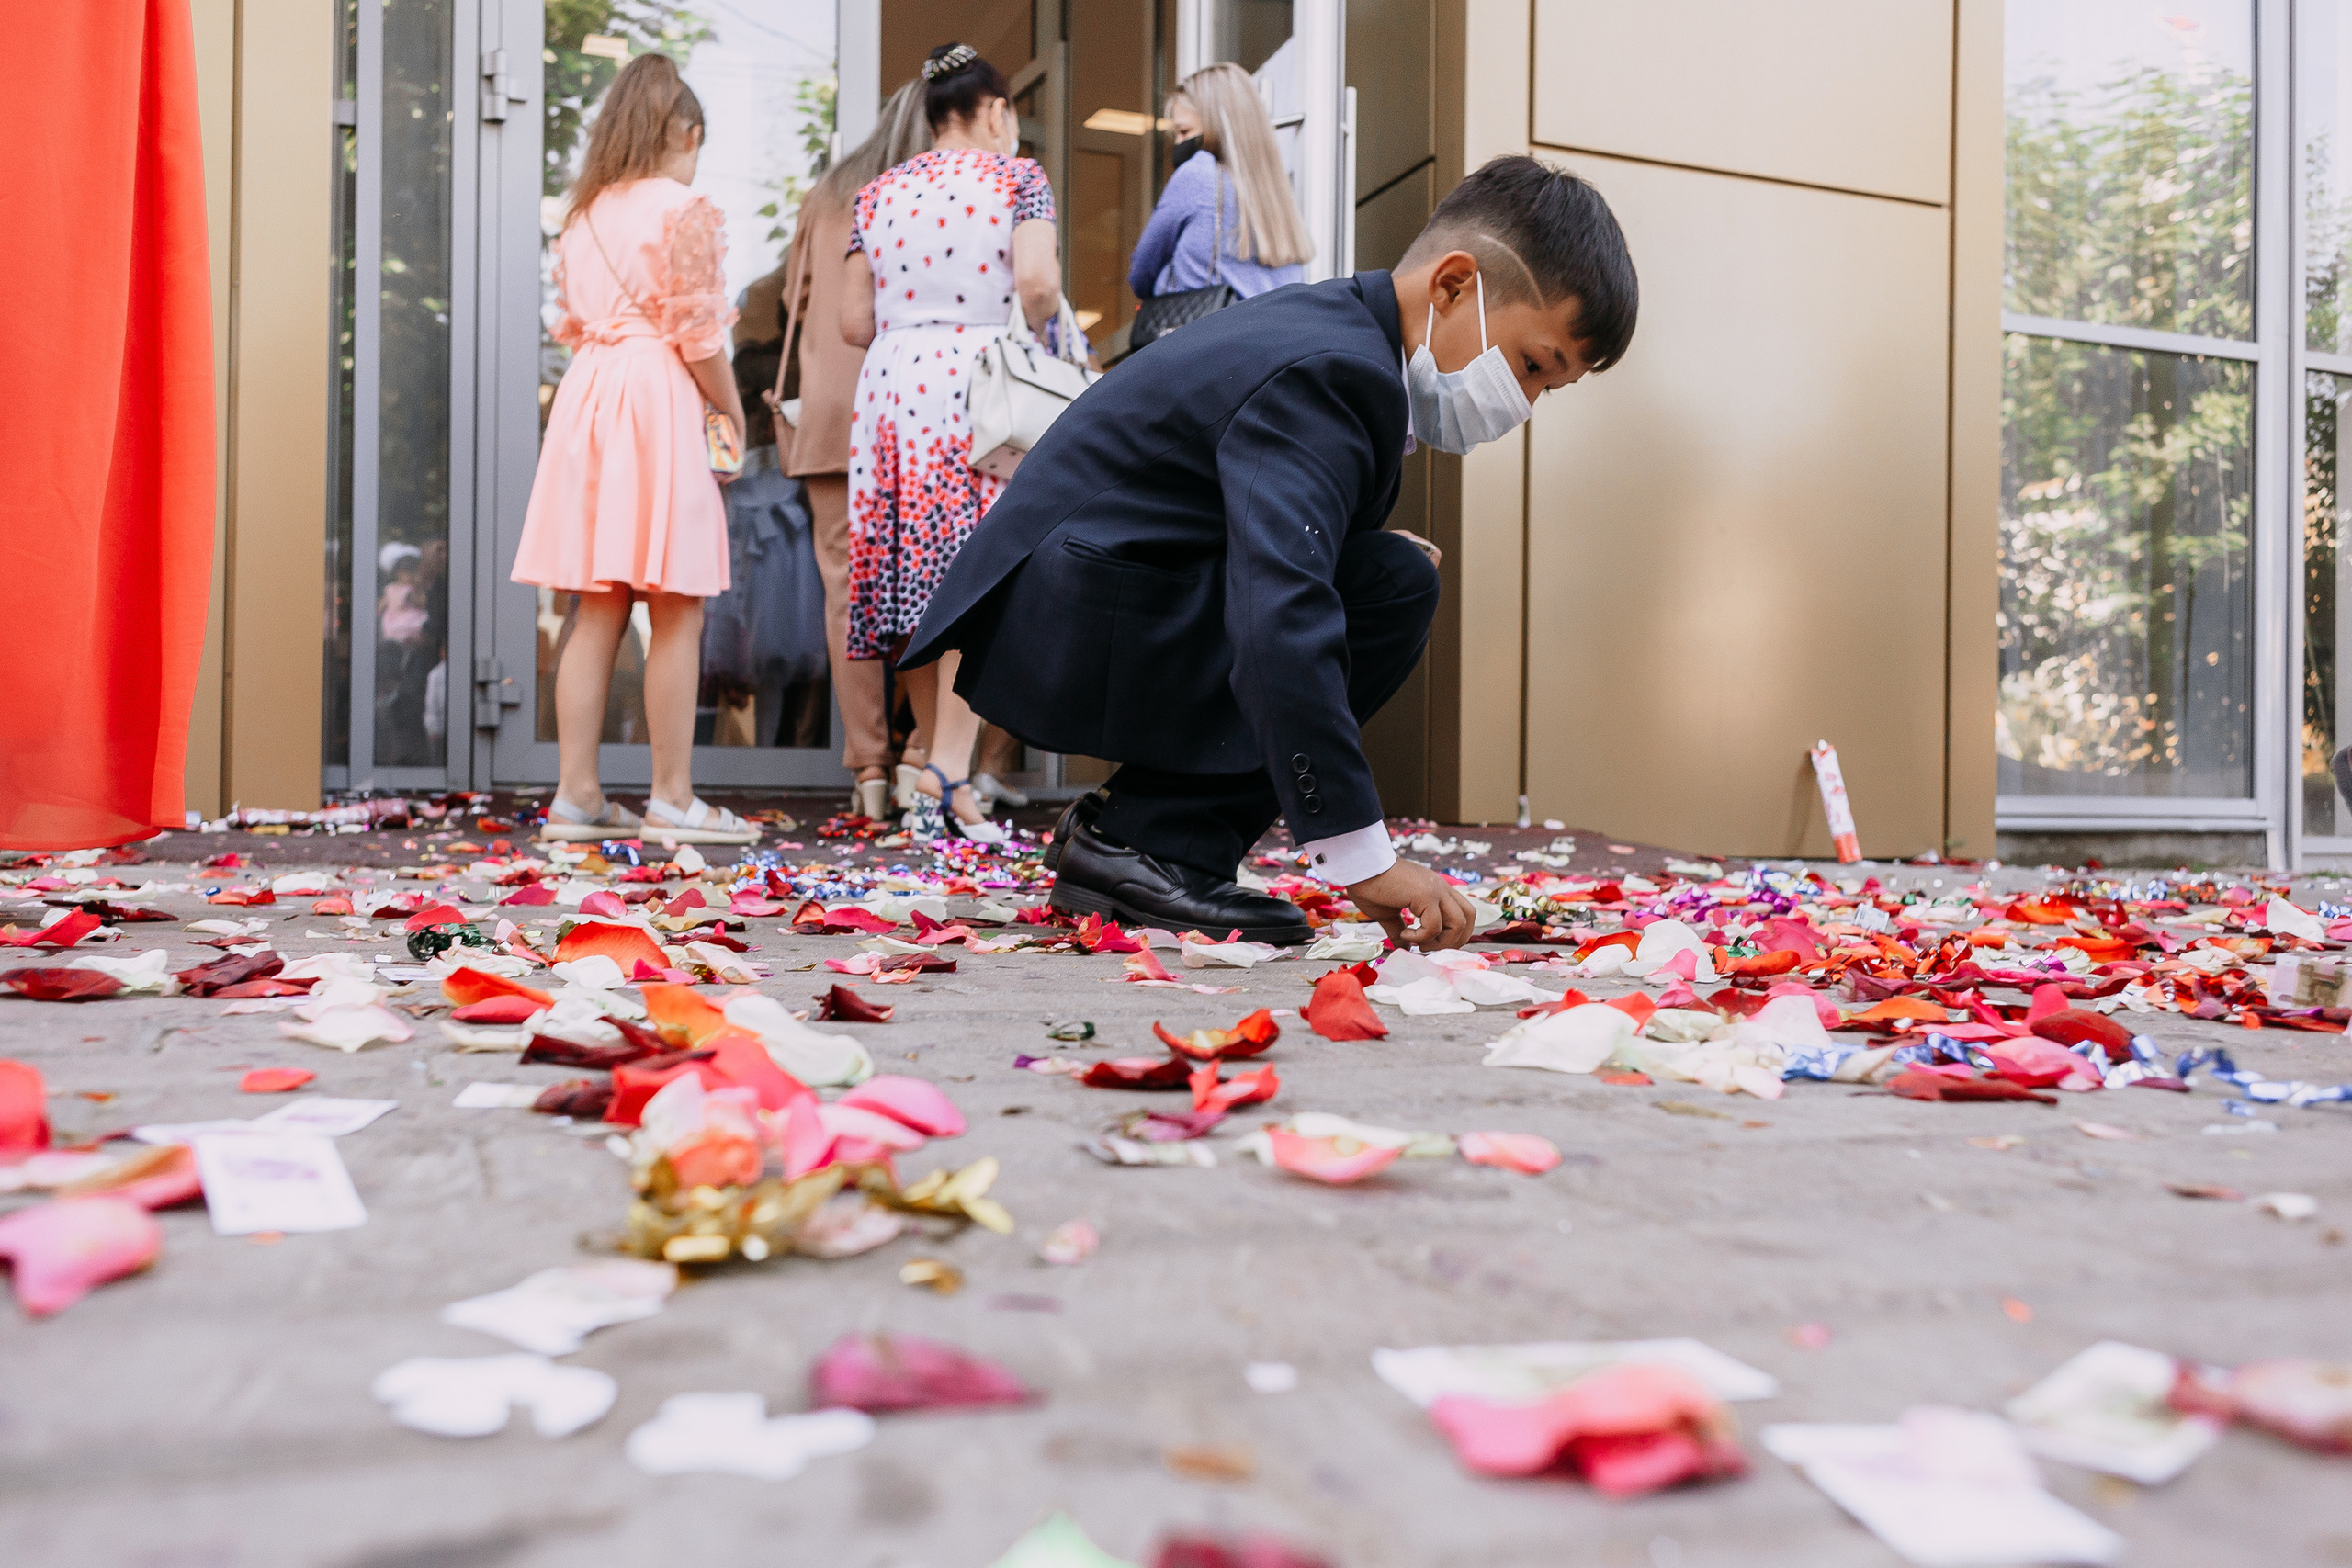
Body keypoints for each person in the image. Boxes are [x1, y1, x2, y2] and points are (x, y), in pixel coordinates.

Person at [902, 155, 1637, 949]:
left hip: (1089, 598)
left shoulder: (1337, 334)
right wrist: (1364, 855)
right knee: (1386, 589)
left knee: (1388, 571)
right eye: (1531, 366)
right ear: (1453, 286)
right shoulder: (1338, 371)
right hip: (1076, 615)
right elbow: (1279, 610)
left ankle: (1138, 833)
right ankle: (1148, 843)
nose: (1521, 404)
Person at [512, 53, 755, 844]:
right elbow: (697, 329)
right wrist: (731, 406)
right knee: (677, 604)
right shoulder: (682, 208)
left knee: (596, 604)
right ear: (684, 131)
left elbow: (570, 324)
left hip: (590, 393)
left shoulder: (581, 216)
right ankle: (673, 796)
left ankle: (576, 795)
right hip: (655, 390)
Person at [840, 42, 1062, 843]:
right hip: (979, 383)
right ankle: (949, 773)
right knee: (982, 578)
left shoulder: (876, 194)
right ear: (997, 111)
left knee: (917, 587)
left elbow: (852, 322)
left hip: (895, 386)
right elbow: (1036, 286)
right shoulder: (1019, 179)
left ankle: (940, 766)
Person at [739, 80, 933, 823]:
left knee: (846, 588)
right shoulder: (931, 191)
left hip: (828, 413)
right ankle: (925, 756)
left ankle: (869, 768)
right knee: (927, 577)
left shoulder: (829, 193)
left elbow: (794, 297)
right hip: (913, 408)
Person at [1128, 62, 1311, 310]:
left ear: (1218, 127)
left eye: (1184, 131)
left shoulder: (1197, 174)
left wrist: (1166, 278)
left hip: (1205, 338)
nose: (1178, 144)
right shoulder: (1277, 198)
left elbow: (1141, 273)